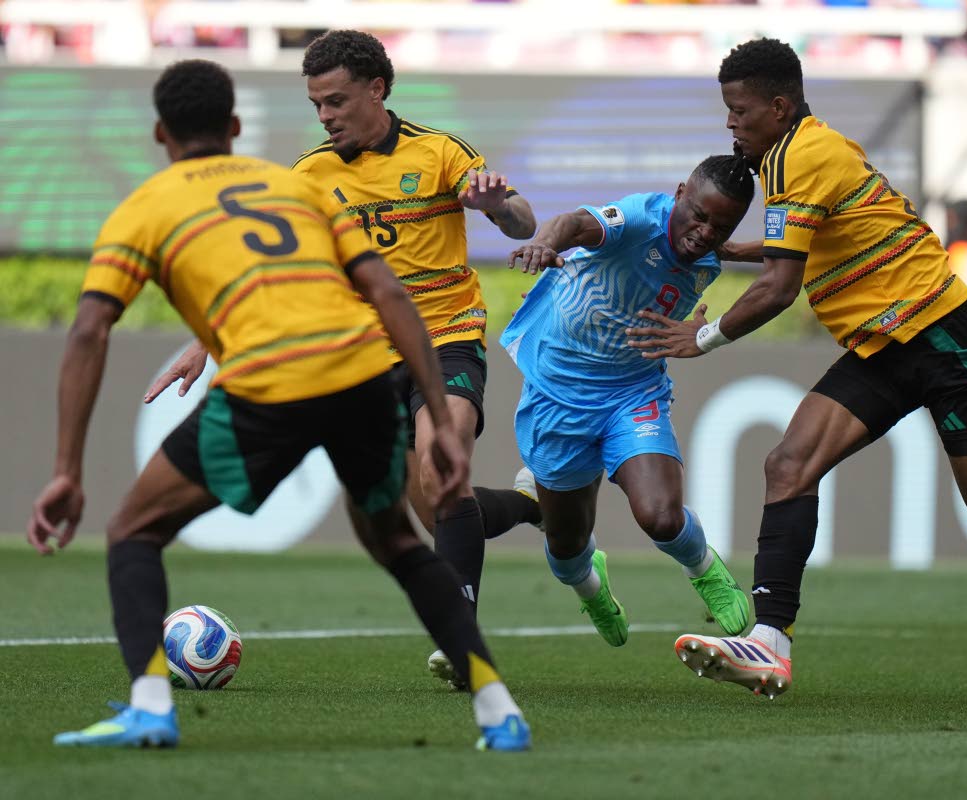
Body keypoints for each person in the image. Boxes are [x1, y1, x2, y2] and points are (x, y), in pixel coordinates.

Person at [626, 38, 967, 700]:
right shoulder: (791, 158)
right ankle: (770, 643)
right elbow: (803, 247)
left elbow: (780, 287)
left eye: (739, 110)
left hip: (944, 335)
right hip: (885, 345)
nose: (731, 123)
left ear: (778, 105)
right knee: (788, 465)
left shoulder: (805, 156)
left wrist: (701, 337)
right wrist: (732, 250)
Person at [28, 59, 530, 751]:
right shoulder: (290, 186)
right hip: (360, 372)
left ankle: (149, 708)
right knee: (399, 544)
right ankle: (499, 711)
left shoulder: (145, 206)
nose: (325, 116)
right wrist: (441, 422)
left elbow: (89, 329)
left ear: (158, 135)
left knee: (133, 532)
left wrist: (65, 469)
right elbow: (386, 294)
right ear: (235, 127)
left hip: (274, 382)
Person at [145, 30, 542, 690]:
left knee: (440, 456)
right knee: (440, 503)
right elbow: (271, 275)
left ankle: (460, 637)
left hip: (446, 339)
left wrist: (496, 205)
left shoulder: (439, 152)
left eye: (335, 101)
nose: (325, 116)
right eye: (316, 105)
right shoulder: (310, 175)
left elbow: (524, 222)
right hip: (363, 358)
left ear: (376, 90)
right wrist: (204, 343)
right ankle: (535, 504)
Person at [503, 156, 755, 646]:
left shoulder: (712, 249)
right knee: (567, 545)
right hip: (559, 394)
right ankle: (592, 588)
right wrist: (543, 244)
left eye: (720, 226)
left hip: (632, 391)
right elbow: (575, 223)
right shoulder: (640, 218)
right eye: (699, 216)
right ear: (681, 192)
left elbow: (776, 254)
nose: (705, 232)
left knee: (660, 515)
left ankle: (705, 571)